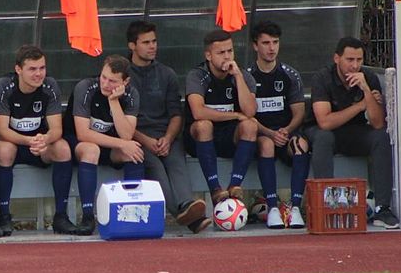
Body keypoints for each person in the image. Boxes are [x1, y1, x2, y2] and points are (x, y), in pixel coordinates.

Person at [126, 21, 210, 234]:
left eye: (154, 41)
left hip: (167, 136)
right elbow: (122, 121)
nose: (152, 46)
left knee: (176, 163)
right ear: (132, 46)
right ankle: (186, 214)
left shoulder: (167, 74)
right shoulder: (124, 76)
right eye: (146, 42)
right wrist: (147, 141)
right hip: (137, 137)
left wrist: (168, 138)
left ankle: (186, 205)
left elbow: (176, 114)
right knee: (156, 168)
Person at [307, 37, 399, 229]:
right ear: (337, 58)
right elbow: (324, 122)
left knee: (381, 136)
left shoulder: (368, 77)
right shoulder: (322, 78)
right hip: (324, 132)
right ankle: (327, 207)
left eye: (359, 60)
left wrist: (366, 90)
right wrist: (360, 106)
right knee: (323, 137)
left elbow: (378, 123)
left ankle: (383, 208)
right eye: (349, 60)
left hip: (354, 131)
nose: (355, 65)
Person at [0, 45, 73, 236]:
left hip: (38, 145)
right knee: (5, 150)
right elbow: (2, 131)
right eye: (32, 69)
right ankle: (4, 216)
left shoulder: (50, 86)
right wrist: (29, 141)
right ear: (18, 69)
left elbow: (57, 129)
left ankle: (61, 216)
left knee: (62, 148)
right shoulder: (3, 86)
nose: (38, 74)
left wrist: (45, 139)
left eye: (42, 68)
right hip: (11, 142)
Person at [63, 54, 145, 236]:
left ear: (125, 82)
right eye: (103, 77)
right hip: (77, 143)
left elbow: (127, 135)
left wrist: (114, 102)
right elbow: (83, 133)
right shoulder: (86, 88)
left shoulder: (131, 94)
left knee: (134, 152)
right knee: (92, 150)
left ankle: (132, 211)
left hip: (109, 144)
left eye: (113, 81)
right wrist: (122, 144)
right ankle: (87, 216)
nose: (106, 84)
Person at [245, 21, 309, 229]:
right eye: (266, 43)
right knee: (266, 144)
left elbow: (299, 112)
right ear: (255, 46)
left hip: (285, 134)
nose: (271, 48)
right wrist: (270, 133)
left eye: (275, 42)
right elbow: (245, 115)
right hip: (261, 135)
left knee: (301, 144)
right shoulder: (247, 76)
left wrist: (286, 130)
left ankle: (295, 208)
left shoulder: (290, 74)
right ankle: (272, 207)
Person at [184, 29, 258, 206]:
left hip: (229, 135)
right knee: (204, 125)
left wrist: (238, 76)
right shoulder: (197, 75)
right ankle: (215, 189)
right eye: (221, 52)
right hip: (199, 139)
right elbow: (198, 112)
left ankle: (235, 185)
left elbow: (250, 111)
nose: (227, 56)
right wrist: (235, 115)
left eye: (230, 51)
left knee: (250, 126)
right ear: (208, 55)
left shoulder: (242, 75)